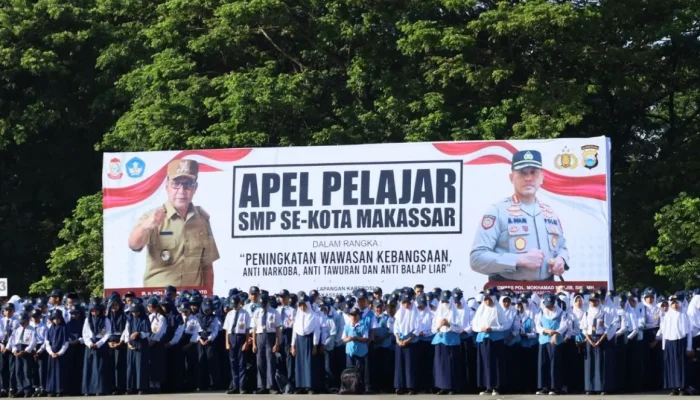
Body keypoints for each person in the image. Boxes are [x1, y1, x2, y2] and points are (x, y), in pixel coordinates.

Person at [470, 150, 570, 281]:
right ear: (512, 178)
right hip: (509, 294)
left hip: (546, 294)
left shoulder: (550, 213)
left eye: (533, 172)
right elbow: (477, 258)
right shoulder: (498, 211)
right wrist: (519, 259)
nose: (528, 178)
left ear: (541, 178)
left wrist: (561, 259)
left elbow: (562, 247)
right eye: (522, 172)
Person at [128, 159, 220, 288]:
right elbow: (134, 245)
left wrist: (208, 297)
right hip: (159, 300)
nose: (181, 190)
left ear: (195, 188)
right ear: (167, 187)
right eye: (176, 184)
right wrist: (146, 226)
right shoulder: (153, 217)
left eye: (188, 184)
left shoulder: (202, 220)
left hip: (191, 301)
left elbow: (207, 265)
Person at [472, 289, 507, 396]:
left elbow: (504, 325)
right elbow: (474, 325)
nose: (487, 302)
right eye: (485, 299)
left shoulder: (498, 309)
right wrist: (481, 329)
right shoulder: (481, 310)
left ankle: (496, 387)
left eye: (489, 299)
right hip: (483, 339)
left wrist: (493, 328)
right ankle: (487, 386)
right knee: (485, 363)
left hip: (495, 339)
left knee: (495, 363)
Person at [659, 295, 694, 395]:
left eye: (676, 302)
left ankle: (683, 387)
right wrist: (663, 346)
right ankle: (674, 387)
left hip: (680, 342)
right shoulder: (667, 315)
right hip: (669, 343)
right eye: (673, 303)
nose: (675, 305)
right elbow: (664, 332)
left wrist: (689, 347)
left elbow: (689, 333)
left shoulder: (684, 315)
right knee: (671, 365)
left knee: (680, 366)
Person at [431, 290, 463, 395]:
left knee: (451, 364)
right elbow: (432, 329)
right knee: (440, 364)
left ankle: (452, 387)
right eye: (443, 302)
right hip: (440, 340)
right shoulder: (438, 313)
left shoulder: (455, 313)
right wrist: (440, 325)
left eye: (447, 302)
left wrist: (449, 324)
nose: (445, 304)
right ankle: (442, 386)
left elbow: (459, 329)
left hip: (452, 341)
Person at [535, 293, 566, 395]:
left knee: (555, 364)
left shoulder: (561, 313)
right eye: (547, 305)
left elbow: (564, 326)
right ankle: (544, 387)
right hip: (543, 340)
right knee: (544, 363)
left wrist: (556, 333)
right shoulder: (541, 313)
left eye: (551, 305)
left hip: (555, 341)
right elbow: (537, 326)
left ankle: (555, 387)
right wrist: (546, 331)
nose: (549, 307)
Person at [81, 299, 113, 396]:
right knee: (89, 367)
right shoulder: (87, 320)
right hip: (90, 345)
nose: (94, 312)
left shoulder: (105, 319)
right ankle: (88, 389)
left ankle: (100, 389)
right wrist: (89, 343)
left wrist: (99, 343)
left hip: (101, 345)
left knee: (99, 367)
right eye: (93, 311)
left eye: (96, 310)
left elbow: (108, 333)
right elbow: (85, 333)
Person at [251, 293, 281, 394]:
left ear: (267, 302)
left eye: (264, 304)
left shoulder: (274, 312)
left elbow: (277, 329)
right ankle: (261, 386)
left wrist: (276, 343)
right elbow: (254, 329)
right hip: (260, 337)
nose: (262, 306)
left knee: (270, 362)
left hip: (270, 336)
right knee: (260, 362)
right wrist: (254, 344)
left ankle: (271, 386)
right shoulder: (257, 312)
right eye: (261, 304)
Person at [290, 293, 320, 394]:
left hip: (308, 340)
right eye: (300, 305)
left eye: (304, 305)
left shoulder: (313, 316)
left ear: (307, 304)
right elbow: (294, 331)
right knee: (299, 363)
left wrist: (315, 345)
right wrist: (292, 345)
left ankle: (309, 386)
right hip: (299, 341)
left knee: (308, 363)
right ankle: (300, 386)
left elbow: (316, 331)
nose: (302, 307)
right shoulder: (297, 316)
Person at [122, 302, 150, 395]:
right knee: (131, 366)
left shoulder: (145, 319)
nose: (134, 314)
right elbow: (126, 331)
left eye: (136, 312)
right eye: (133, 312)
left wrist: (138, 333)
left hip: (141, 344)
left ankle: (141, 387)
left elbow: (147, 332)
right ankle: (130, 387)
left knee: (140, 366)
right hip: (131, 345)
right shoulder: (129, 319)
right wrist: (128, 343)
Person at [393, 294, 418, 395]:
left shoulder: (415, 312)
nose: (406, 305)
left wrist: (408, 340)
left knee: (410, 365)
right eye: (404, 303)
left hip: (411, 342)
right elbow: (396, 328)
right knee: (399, 365)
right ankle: (400, 386)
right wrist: (398, 339)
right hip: (400, 342)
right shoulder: (399, 313)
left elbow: (417, 328)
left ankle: (411, 387)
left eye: (408, 302)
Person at [224, 296, 249, 395]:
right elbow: (227, 329)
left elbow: (247, 329)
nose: (234, 307)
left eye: (236, 304)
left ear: (240, 303)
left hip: (241, 337)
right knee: (233, 363)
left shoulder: (245, 313)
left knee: (241, 363)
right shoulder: (230, 314)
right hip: (231, 337)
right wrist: (227, 342)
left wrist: (246, 342)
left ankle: (242, 387)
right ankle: (235, 386)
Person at [341, 305, 369, 393]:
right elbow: (343, 338)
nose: (353, 317)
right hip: (350, 352)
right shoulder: (347, 326)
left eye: (355, 315)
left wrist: (356, 338)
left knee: (359, 370)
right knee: (349, 371)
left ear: (358, 316)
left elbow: (365, 338)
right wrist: (349, 338)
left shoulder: (363, 325)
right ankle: (349, 388)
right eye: (352, 315)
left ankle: (359, 388)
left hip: (360, 352)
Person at [11, 313, 37, 397]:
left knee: (27, 371)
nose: (22, 324)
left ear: (28, 321)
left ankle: (28, 389)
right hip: (18, 350)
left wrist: (26, 351)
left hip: (26, 351)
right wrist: (14, 350)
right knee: (18, 371)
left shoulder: (32, 330)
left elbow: (33, 342)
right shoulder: (17, 330)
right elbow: (13, 341)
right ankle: (20, 389)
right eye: (20, 322)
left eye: (23, 322)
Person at [45, 310, 69, 397]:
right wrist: (51, 352)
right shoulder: (50, 328)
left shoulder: (64, 327)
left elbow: (66, 342)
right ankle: (51, 389)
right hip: (52, 353)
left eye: (58, 319)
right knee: (51, 372)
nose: (56, 320)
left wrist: (59, 353)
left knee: (60, 371)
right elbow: (47, 342)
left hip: (60, 354)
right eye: (54, 319)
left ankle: (60, 389)